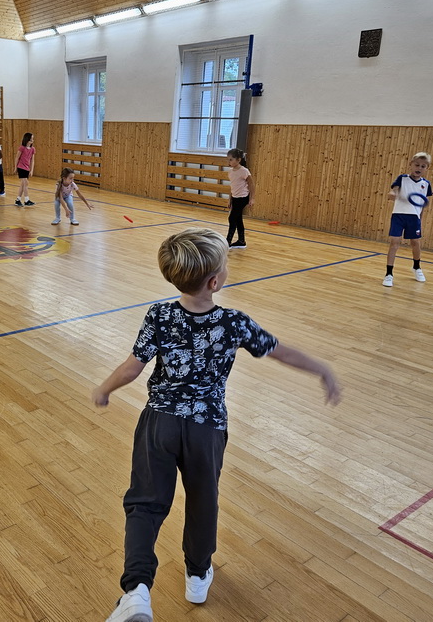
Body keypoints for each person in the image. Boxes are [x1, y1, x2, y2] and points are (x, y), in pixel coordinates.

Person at [92, 227, 341, 622]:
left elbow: (131, 368)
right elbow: (280, 352)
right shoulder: (233, 322)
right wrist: (321, 369)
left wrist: (104, 389)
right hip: (206, 429)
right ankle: (197, 573)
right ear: (214, 281)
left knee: (145, 503)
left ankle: (136, 591)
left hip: (159, 423)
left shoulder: (159, 314)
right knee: (203, 500)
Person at [383, 152, 433, 287]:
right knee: (394, 242)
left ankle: (417, 267)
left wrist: (420, 219)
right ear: (411, 164)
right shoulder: (402, 179)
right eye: (417, 165)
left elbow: (422, 204)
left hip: (414, 217)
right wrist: (392, 193)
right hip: (398, 215)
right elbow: (394, 191)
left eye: (423, 166)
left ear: (427, 168)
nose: (419, 168)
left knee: (415, 243)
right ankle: (389, 274)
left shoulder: (426, 184)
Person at [225, 148, 254, 249]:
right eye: (228, 159)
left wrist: (252, 199)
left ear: (238, 160)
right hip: (235, 198)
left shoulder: (244, 171)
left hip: (243, 198)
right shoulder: (230, 172)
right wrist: (230, 200)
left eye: (231, 159)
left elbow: (252, 185)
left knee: (232, 218)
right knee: (238, 219)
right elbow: (232, 186)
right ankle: (241, 241)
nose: (229, 162)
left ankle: (228, 242)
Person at [13, 132, 36, 206]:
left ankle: (18, 200)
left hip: (27, 168)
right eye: (31, 138)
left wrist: (31, 170)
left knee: (23, 185)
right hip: (21, 167)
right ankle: (26, 200)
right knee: (25, 183)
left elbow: (32, 160)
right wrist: (15, 167)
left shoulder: (32, 149)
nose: (32, 140)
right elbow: (17, 158)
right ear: (27, 139)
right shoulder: (22, 148)